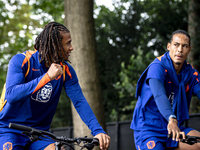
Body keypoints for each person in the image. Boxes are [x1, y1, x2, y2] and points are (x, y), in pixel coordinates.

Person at [0, 22, 110, 150]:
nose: (72, 47)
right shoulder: (21, 61)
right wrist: (47, 77)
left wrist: (98, 131)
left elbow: (79, 101)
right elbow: (12, 95)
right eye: (68, 43)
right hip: (9, 129)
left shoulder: (66, 71)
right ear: (56, 46)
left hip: (39, 133)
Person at [130, 29, 200, 150]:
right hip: (149, 129)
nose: (179, 50)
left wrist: (173, 123)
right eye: (176, 45)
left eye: (184, 46)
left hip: (173, 130)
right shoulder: (157, 67)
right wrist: (171, 118)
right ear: (169, 46)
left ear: (189, 50)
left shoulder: (191, 73)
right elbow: (159, 95)